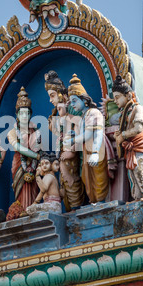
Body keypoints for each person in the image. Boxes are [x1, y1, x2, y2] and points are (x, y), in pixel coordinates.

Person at [64, 74, 110, 204]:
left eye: (74, 101)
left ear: (84, 100)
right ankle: (93, 201)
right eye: (71, 102)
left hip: (97, 148)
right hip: (86, 150)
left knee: (98, 178)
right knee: (86, 177)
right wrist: (74, 134)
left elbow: (90, 135)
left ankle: (100, 202)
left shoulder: (93, 112)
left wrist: (74, 141)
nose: (72, 105)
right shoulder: (84, 116)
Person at [44, 70, 85, 211]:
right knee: (64, 183)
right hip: (62, 153)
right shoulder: (58, 114)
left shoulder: (72, 110)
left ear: (61, 94)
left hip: (71, 154)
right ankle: (71, 210)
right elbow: (56, 130)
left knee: (71, 181)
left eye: (53, 96)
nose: (51, 100)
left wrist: (71, 151)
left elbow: (78, 128)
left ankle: (76, 209)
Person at [112, 75, 143, 201]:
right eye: (114, 98)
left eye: (117, 97)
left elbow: (138, 128)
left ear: (128, 96)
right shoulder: (123, 115)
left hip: (140, 144)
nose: (115, 101)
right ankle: (137, 197)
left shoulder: (138, 109)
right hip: (130, 148)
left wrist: (123, 135)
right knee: (132, 174)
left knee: (139, 169)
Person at [7, 87, 41, 217]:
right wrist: (35, 155)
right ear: (17, 115)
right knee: (21, 187)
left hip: (33, 164)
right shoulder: (12, 132)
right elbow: (20, 148)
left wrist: (36, 155)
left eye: (27, 113)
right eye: (22, 114)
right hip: (19, 163)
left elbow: (38, 147)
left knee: (33, 186)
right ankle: (22, 209)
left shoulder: (35, 131)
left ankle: (31, 208)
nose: (25, 116)